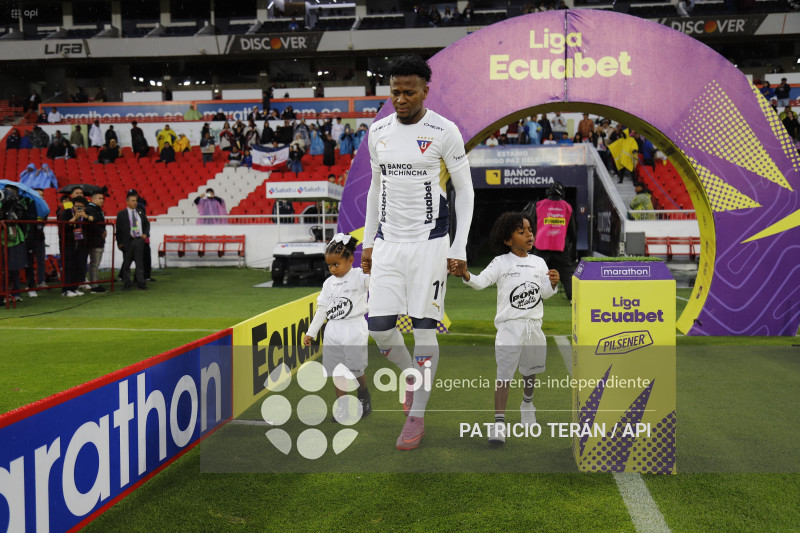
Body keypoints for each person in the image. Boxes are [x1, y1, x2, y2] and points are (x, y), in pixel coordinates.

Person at [362, 55, 474, 450]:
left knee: (425, 331)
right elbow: (376, 189)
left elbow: (466, 190)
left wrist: (458, 247)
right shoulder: (377, 132)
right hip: (388, 245)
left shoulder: (444, 131)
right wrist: (368, 241)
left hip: (430, 245)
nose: (401, 98)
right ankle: (412, 375)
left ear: (426, 90)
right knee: (378, 329)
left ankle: (417, 416)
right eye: (395, 92)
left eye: (409, 92)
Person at [450, 212, 559, 444]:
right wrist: (467, 274)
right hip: (509, 329)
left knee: (530, 371)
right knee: (504, 377)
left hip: (533, 327)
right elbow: (480, 282)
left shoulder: (539, 263)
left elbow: (545, 295)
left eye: (530, 230)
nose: (529, 234)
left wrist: (552, 283)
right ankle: (499, 424)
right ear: (508, 240)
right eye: (522, 231)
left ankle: (527, 405)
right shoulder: (501, 262)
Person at [302, 235, 372, 423]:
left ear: (350, 260)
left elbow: (376, 282)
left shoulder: (359, 276)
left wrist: (372, 269)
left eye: (336, 264)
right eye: (329, 265)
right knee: (337, 371)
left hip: (355, 327)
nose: (333, 269)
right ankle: (343, 407)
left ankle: (363, 393)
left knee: (356, 368)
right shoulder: (328, 283)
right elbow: (322, 310)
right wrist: (311, 332)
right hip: (333, 330)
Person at [527, 182, 576, 302]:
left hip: (541, 245)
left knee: (535, 272)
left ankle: (533, 297)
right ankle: (572, 298)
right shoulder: (567, 207)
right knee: (566, 273)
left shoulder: (538, 205)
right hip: (560, 246)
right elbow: (572, 230)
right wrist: (572, 244)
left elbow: (531, 225)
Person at [116, 191, 149, 290]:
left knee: (140, 263)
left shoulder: (140, 212)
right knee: (126, 263)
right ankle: (127, 283)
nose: (135, 202)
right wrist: (119, 242)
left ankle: (141, 283)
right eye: (132, 201)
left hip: (139, 240)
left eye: (136, 201)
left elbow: (147, 224)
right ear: (127, 202)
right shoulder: (121, 214)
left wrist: (145, 234)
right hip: (128, 241)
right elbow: (118, 230)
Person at [59, 195, 90, 297]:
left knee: (78, 265)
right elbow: (64, 225)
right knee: (68, 266)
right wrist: (75, 217)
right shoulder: (66, 213)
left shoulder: (85, 215)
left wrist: (85, 216)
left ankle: (74, 287)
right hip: (68, 243)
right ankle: (66, 289)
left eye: (81, 206)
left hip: (80, 243)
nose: (79, 209)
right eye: (77, 206)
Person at [24, 188, 47, 297]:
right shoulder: (28, 207)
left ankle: (41, 281)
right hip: (28, 239)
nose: (41, 196)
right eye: (38, 195)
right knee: (29, 262)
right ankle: (30, 285)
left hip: (40, 238)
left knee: (41, 261)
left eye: (42, 195)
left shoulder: (44, 209)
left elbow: (43, 223)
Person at [84, 191, 107, 292]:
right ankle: (94, 285)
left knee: (94, 263)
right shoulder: (91, 209)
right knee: (94, 263)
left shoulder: (95, 209)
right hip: (95, 240)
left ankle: (93, 283)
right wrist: (101, 231)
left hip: (95, 239)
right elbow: (94, 223)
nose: (101, 200)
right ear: (93, 199)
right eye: (99, 198)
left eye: (102, 198)